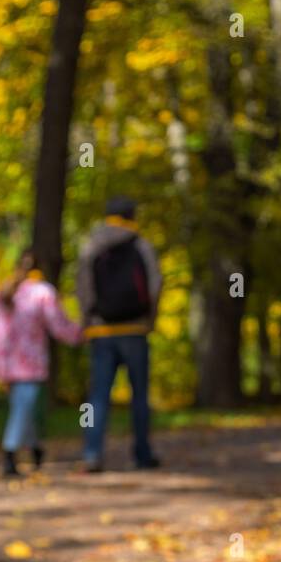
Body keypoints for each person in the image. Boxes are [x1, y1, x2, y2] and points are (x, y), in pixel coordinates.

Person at [76, 196, 163, 472]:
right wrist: (150, 318)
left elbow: (83, 285)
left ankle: (92, 453)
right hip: (135, 329)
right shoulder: (141, 245)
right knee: (140, 395)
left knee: (98, 396)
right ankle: (142, 453)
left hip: (102, 329)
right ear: (132, 215)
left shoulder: (91, 246)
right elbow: (155, 283)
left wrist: (87, 319)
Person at [0, 251, 83, 476]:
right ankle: (9, 454)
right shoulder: (41, 292)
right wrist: (80, 335)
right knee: (22, 408)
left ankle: (35, 449)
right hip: (30, 361)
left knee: (22, 407)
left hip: (6, 362)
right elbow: (58, 324)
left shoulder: (3, 291)